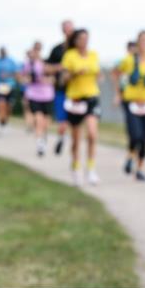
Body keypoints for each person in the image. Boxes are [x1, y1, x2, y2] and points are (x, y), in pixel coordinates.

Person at [114, 31, 145, 181]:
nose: (143, 44)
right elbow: (116, 73)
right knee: (135, 135)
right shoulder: (129, 60)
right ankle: (130, 155)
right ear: (137, 43)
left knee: (144, 138)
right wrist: (119, 92)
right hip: (131, 101)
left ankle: (139, 169)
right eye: (141, 41)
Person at [61, 28, 101, 186]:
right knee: (76, 139)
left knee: (92, 134)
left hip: (92, 97)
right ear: (75, 41)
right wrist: (74, 74)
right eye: (81, 38)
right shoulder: (69, 56)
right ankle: (76, 168)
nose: (84, 41)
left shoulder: (94, 55)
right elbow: (63, 79)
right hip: (75, 99)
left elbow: (97, 73)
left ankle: (91, 169)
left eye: (86, 38)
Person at [21, 42, 55, 156]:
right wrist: (27, 80)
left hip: (47, 95)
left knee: (46, 122)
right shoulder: (28, 64)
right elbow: (23, 77)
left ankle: (43, 136)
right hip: (34, 95)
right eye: (34, 50)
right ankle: (39, 144)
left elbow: (54, 77)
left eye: (38, 50)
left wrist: (49, 80)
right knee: (38, 119)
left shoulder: (46, 63)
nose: (36, 52)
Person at [46, 20, 75, 156]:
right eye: (66, 29)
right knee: (62, 121)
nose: (69, 31)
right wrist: (58, 68)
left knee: (75, 121)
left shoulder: (79, 50)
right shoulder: (57, 49)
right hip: (61, 89)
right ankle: (61, 137)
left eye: (71, 29)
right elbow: (47, 67)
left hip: (78, 91)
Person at [0, 47, 19, 134]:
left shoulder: (11, 61)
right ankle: (1, 123)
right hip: (0, 87)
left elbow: (17, 73)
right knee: (1, 105)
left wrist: (8, 75)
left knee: (8, 107)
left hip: (10, 86)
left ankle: (5, 121)